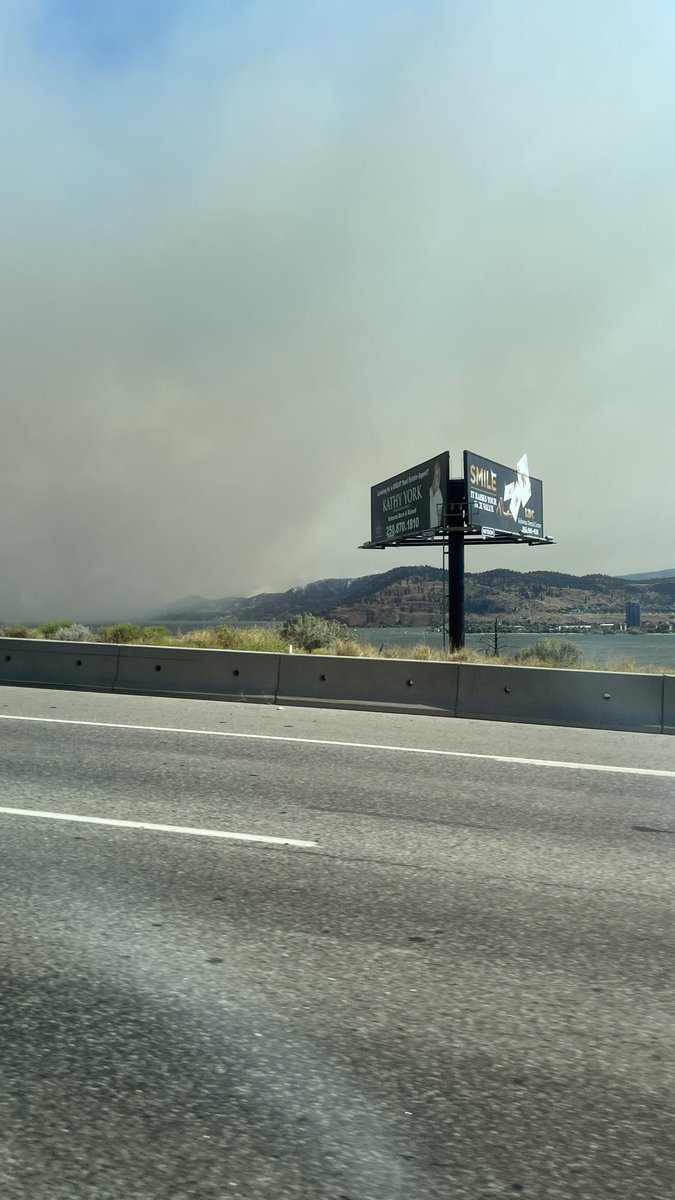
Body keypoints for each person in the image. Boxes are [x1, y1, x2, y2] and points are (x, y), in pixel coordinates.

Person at [429, 460, 443, 529]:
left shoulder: (439, 495)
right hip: (428, 526)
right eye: (435, 475)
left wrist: (438, 526)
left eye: (437, 476)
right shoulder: (430, 490)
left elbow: (439, 514)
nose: (436, 479)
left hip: (434, 526)